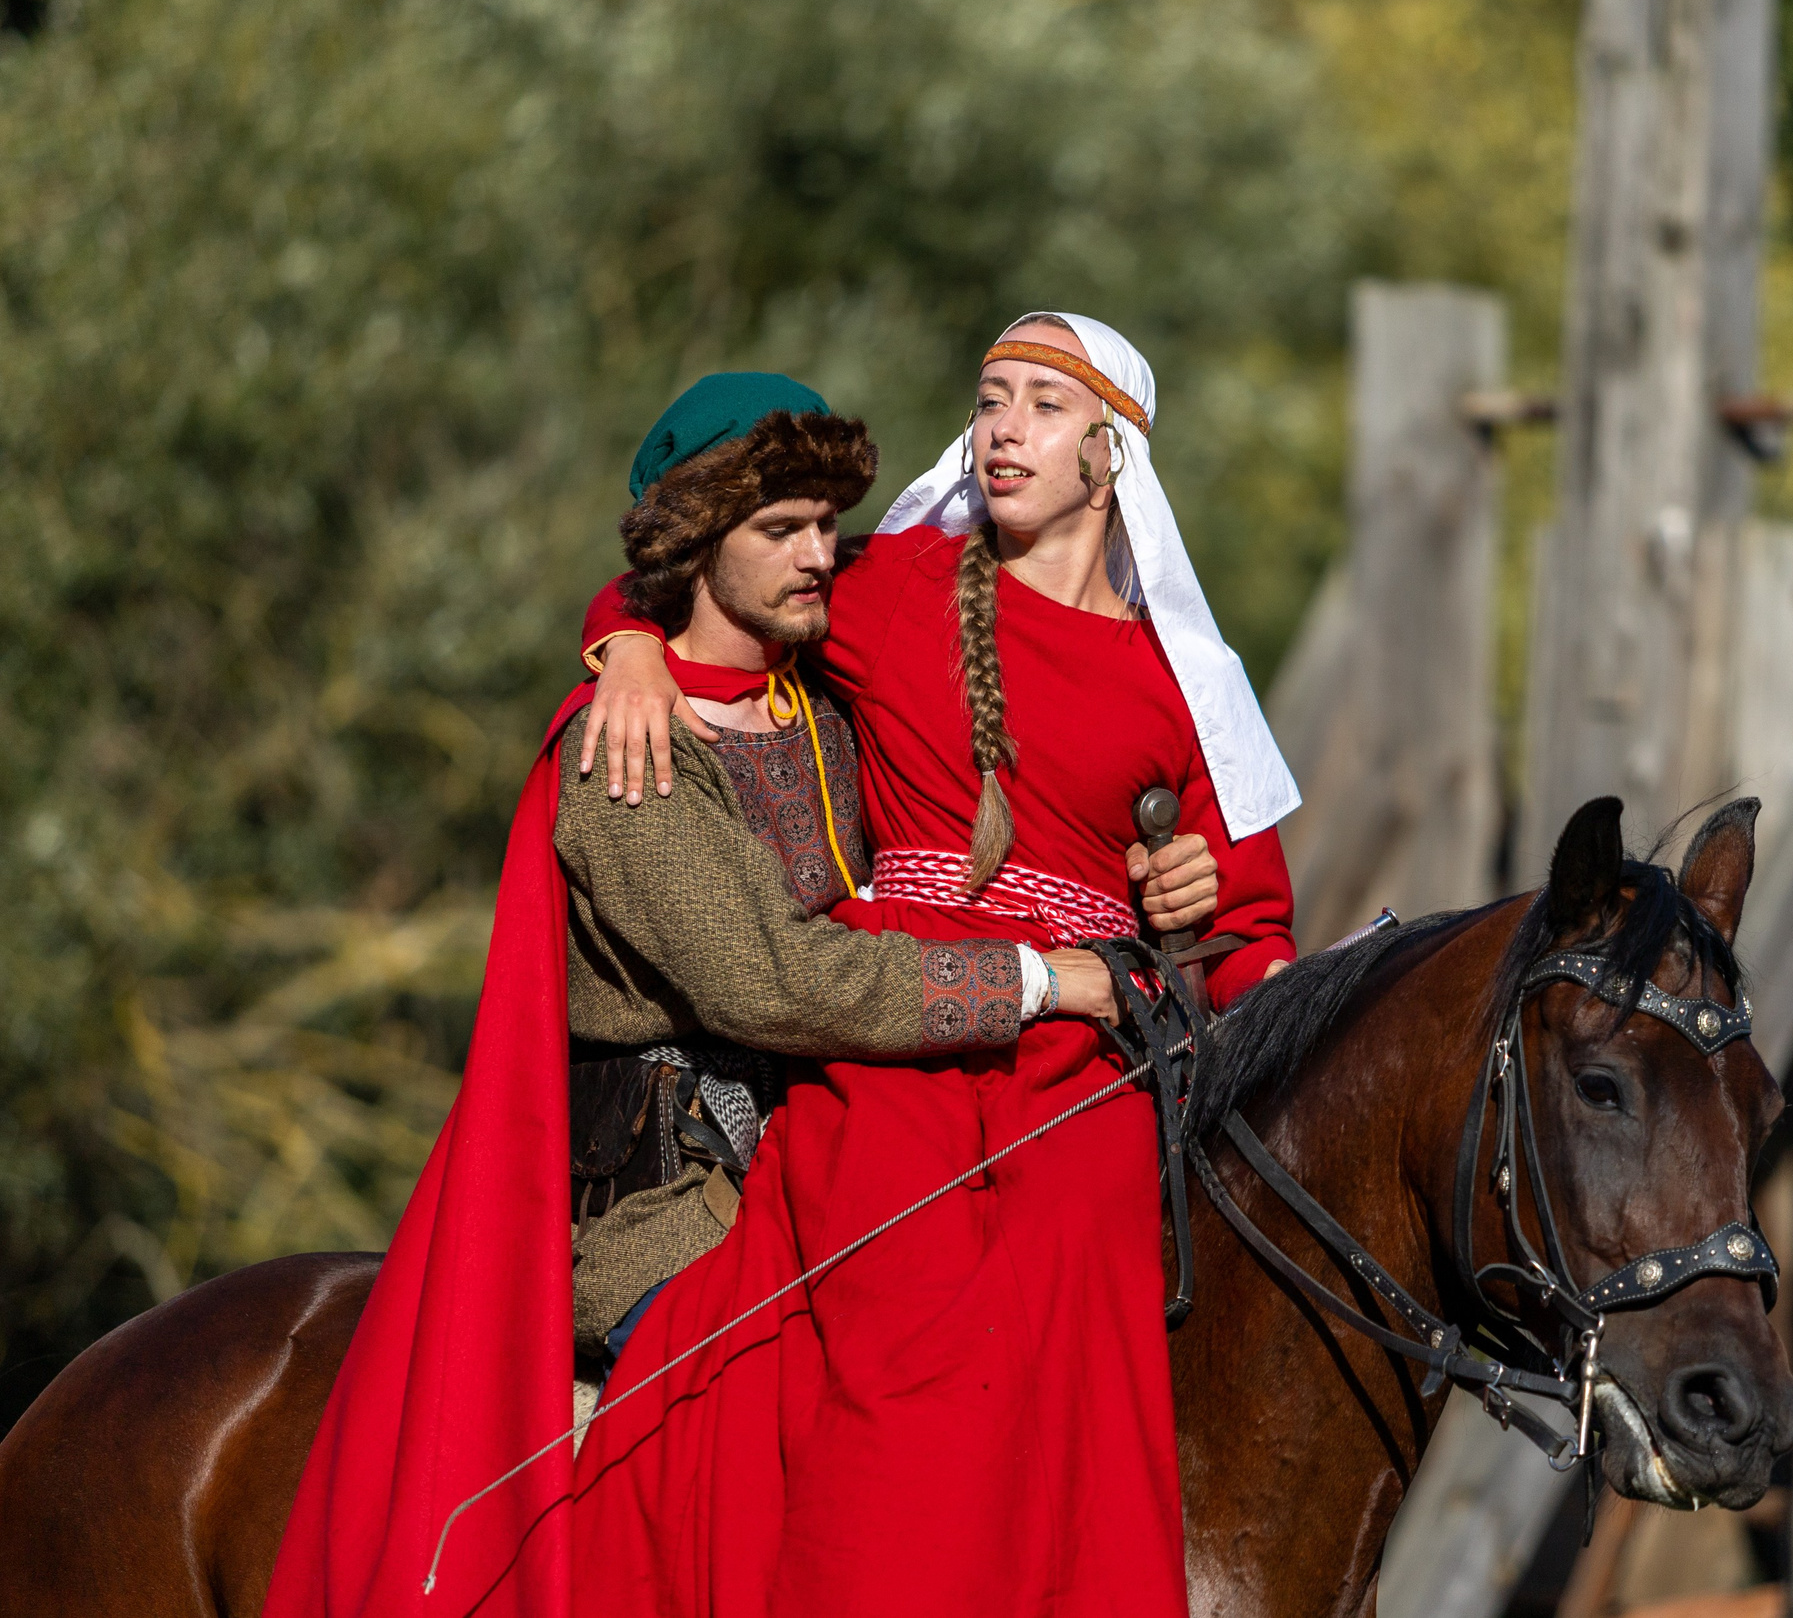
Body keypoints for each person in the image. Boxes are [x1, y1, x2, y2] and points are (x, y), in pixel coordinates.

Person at [259, 378, 1168, 1618]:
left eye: (826, 524)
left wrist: (1166, 865)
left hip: (835, 1157)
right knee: (786, 1419)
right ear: (697, 542)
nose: (820, 557)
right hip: (668, 1213)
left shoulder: (824, 702)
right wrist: (1035, 981)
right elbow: (773, 982)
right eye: (781, 530)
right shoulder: (625, 756)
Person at [567, 312, 1300, 1618]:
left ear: (1113, 453)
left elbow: (1254, 938)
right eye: (990, 398)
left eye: (1043, 406)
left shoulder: (1187, 678)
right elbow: (711, 570)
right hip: (887, 1036)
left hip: (1084, 1059)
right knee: (889, 1345)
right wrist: (620, 643)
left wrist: (1188, 912)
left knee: (1083, 1329)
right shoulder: (892, 585)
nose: (1003, 427)